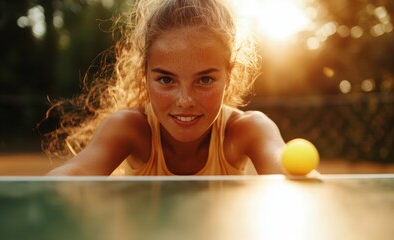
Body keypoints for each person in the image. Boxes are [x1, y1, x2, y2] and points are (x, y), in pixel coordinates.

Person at [43, 0, 285, 176]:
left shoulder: (249, 130)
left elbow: (281, 164)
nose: (184, 100)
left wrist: (295, 172)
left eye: (204, 80)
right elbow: (75, 174)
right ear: (145, 76)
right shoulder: (128, 129)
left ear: (229, 77)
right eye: (167, 80)